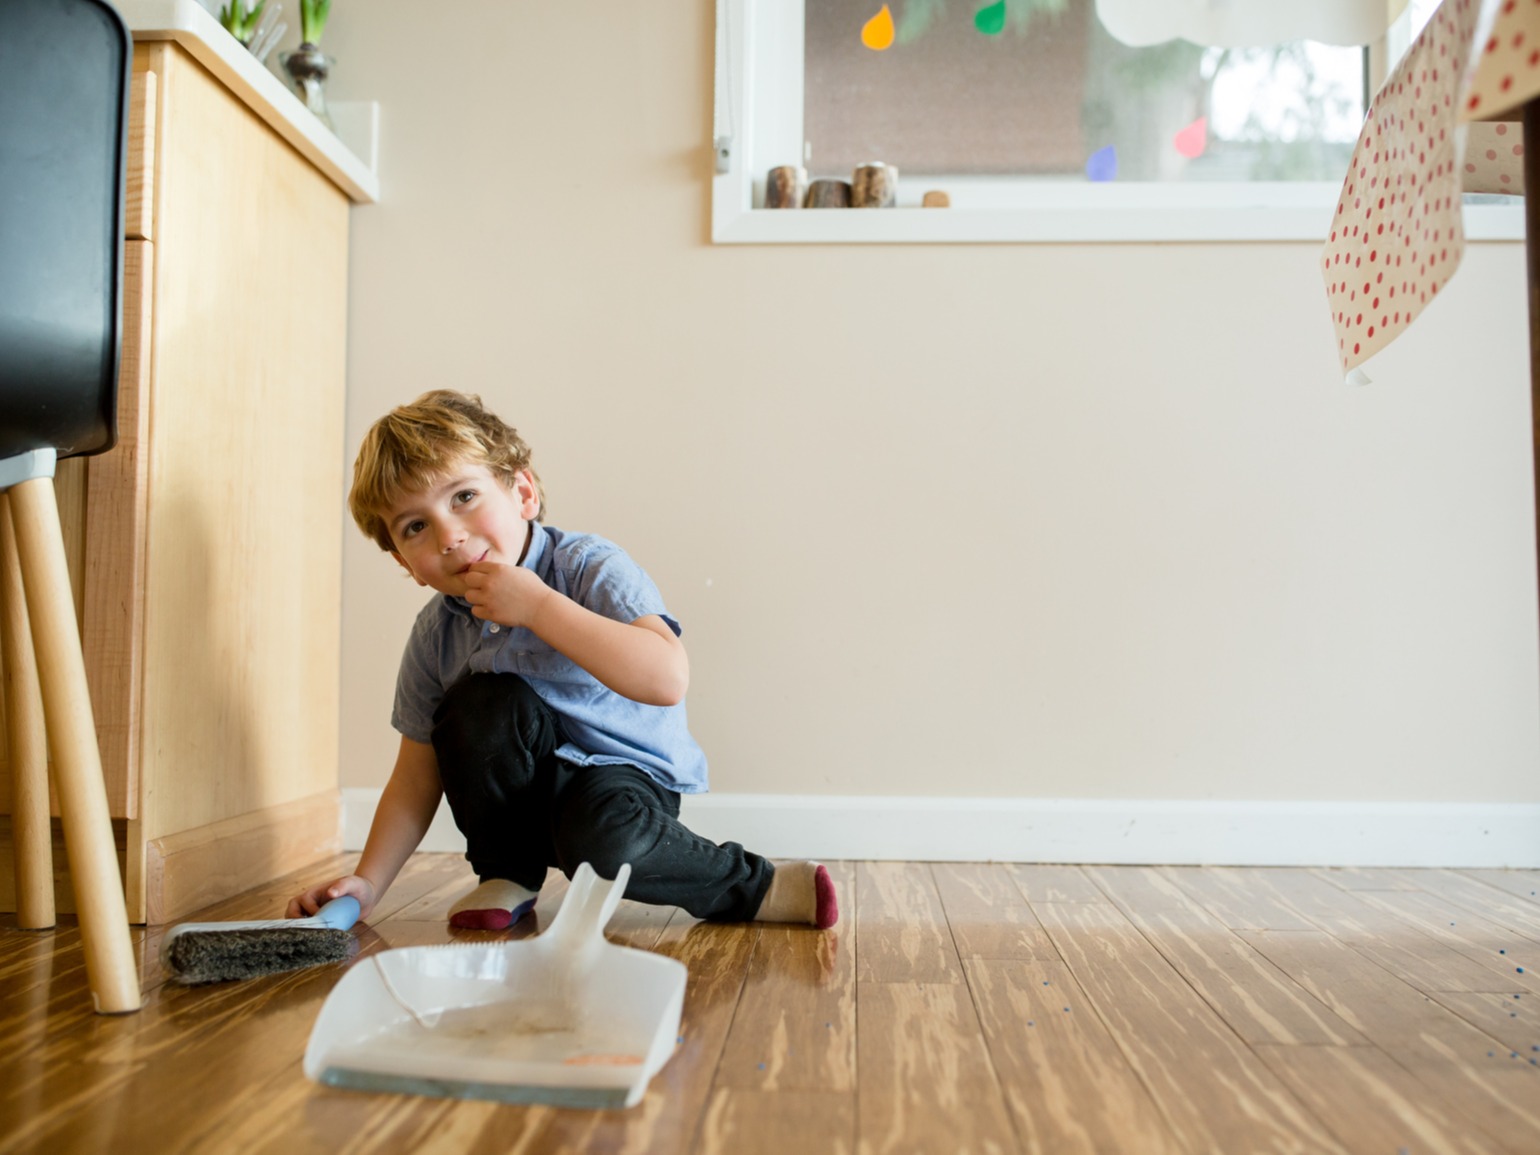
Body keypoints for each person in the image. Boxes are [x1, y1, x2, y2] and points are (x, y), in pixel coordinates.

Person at [287, 390, 837, 931]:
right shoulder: (438, 632)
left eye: (463, 497)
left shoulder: (588, 568)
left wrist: (539, 606)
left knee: (604, 846)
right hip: (525, 793)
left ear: (523, 492)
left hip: (624, 782)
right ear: (406, 564)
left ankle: (755, 885)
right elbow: (415, 774)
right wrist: (368, 882)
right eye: (415, 526)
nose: (449, 535)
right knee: (476, 704)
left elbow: (666, 678)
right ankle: (506, 872)